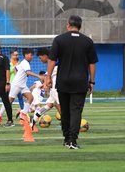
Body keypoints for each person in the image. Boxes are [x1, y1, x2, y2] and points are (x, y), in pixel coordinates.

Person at [44, 15, 98, 150]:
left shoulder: (59, 39)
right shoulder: (87, 41)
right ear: (80, 26)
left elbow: (52, 60)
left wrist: (48, 77)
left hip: (63, 81)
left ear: (68, 25)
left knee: (65, 111)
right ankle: (72, 141)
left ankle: (66, 138)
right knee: (76, 112)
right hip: (80, 82)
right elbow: (92, 63)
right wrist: (92, 81)